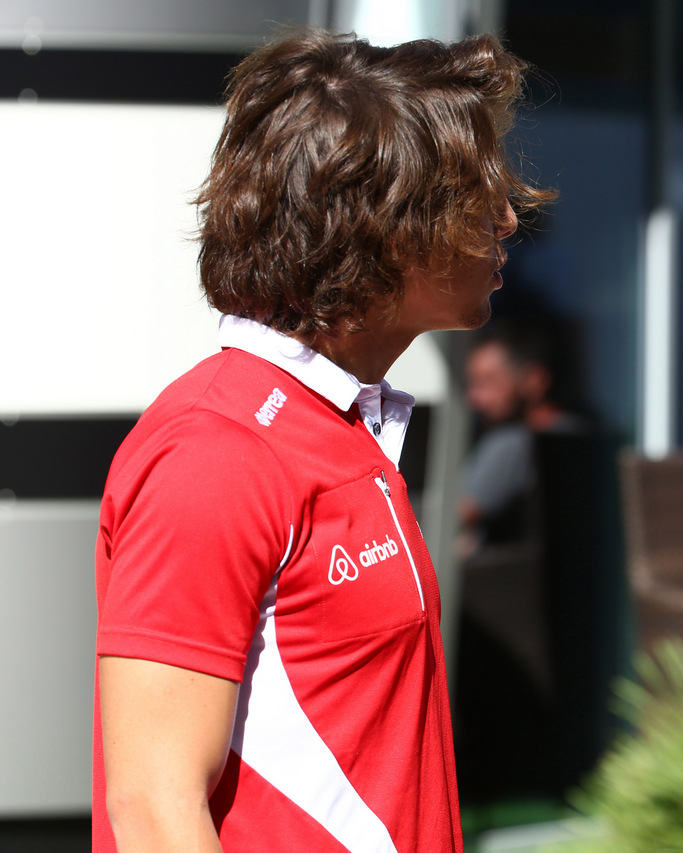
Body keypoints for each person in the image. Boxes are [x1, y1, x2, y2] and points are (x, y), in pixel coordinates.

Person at [92, 29, 551, 852]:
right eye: (479, 193)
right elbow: (154, 812)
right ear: (389, 223)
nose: (508, 217)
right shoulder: (216, 450)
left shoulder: (335, 425)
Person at [457, 318, 584, 553]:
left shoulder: (513, 443)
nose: (473, 399)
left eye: (487, 382)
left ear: (536, 380)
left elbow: (449, 520)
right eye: (472, 384)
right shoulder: (580, 437)